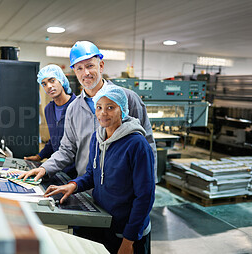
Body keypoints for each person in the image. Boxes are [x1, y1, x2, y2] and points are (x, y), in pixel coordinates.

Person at [20, 40, 157, 183]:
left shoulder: (128, 99)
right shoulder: (73, 108)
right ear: (74, 71)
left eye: (90, 66)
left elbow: (147, 145)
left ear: (101, 66)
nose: (85, 73)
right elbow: (67, 149)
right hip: (85, 187)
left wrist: (148, 186)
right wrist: (45, 168)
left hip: (121, 191)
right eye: (79, 68)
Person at [44, 85, 155, 254]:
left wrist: (128, 240)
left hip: (129, 231)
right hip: (104, 221)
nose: (103, 113)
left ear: (123, 110)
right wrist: (73, 185)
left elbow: (145, 197)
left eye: (110, 107)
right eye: (99, 107)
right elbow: (91, 174)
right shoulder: (98, 137)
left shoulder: (137, 145)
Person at [23, 64, 77, 178]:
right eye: (44, 84)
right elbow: (54, 139)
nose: (49, 86)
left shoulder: (78, 106)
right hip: (59, 168)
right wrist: (39, 156)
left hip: (77, 172)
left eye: (52, 80)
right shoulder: (49, 109)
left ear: (61, 80)